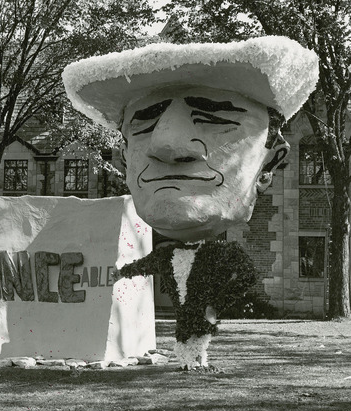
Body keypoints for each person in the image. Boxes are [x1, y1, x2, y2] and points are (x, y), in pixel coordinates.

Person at [62, 35, 319, 368]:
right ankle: (189, 361)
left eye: (215, 119)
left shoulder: (224, 256)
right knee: (189, 330)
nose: (168, 144)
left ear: (267, 166)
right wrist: (114, 275)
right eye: (144, 122)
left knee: (196, 330)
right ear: (123, 160)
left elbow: (240, 277)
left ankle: (196, 359)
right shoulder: (168, 254)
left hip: (200, 311)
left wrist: (215, 303)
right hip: (188, 312)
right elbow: (142, 267)